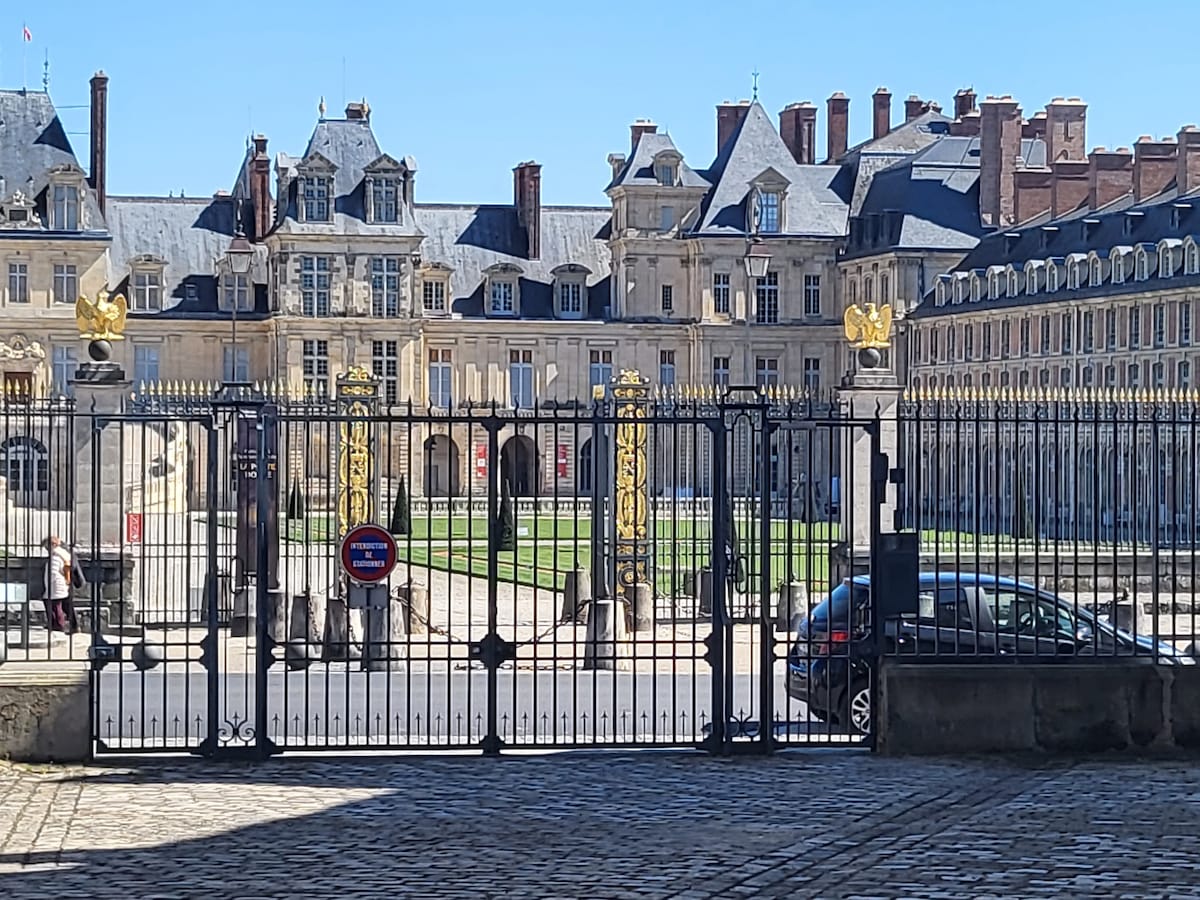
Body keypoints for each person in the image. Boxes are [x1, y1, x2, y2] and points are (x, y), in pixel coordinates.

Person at [42, 535, 75, 635]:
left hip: (56, 585)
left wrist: (49, 584)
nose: (46, 549)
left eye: (47, 546)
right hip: (59, 585)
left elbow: (53, 573)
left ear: (53, 544)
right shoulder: (62, 554)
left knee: (56, 606)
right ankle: (56, 624)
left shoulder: (56, 556)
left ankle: (59, 625)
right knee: (56, 605)